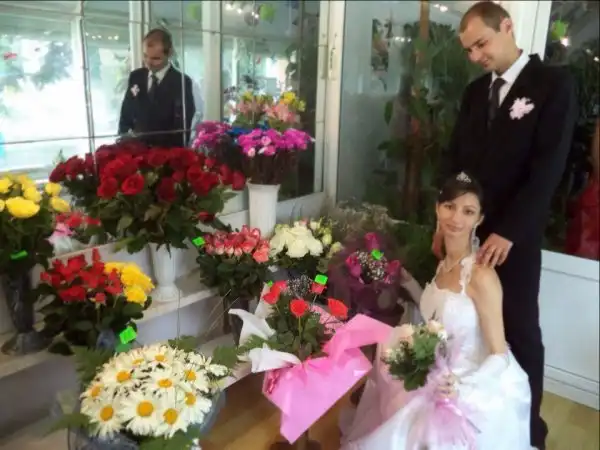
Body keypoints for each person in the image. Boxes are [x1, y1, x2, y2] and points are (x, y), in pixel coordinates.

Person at [436, 3, 578, 448]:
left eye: (481, 44)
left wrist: (510, 231)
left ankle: (530, 430)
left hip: (515, 238)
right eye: (468, 50)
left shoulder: (552, 84)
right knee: (468, 328)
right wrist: (446, 219)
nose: (476, 56)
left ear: (508, 27)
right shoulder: (475, 92)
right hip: (466, 231)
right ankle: (475, 423)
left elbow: (548, 169)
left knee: (519, 330)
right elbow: (455, 163)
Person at [340, 173, 532, 449]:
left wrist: (461, 386)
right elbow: (436, 313)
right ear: (437, 209)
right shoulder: (444, 264)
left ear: (479, 220)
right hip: (436, 369)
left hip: (470, 380)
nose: (456, 218)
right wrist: (407, 281)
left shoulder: (481, 275)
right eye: (450, 206)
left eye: (468, 211)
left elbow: (499, 354)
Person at [118, 28, 195, 148]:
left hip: (165, 151)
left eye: (155, 58)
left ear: (169, 53)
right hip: (134, 149)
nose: (148, 62)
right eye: (145, 56)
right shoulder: (136, 76)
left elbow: (183, 126)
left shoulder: (181, 82)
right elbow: (126, 112)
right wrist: (123, 141)